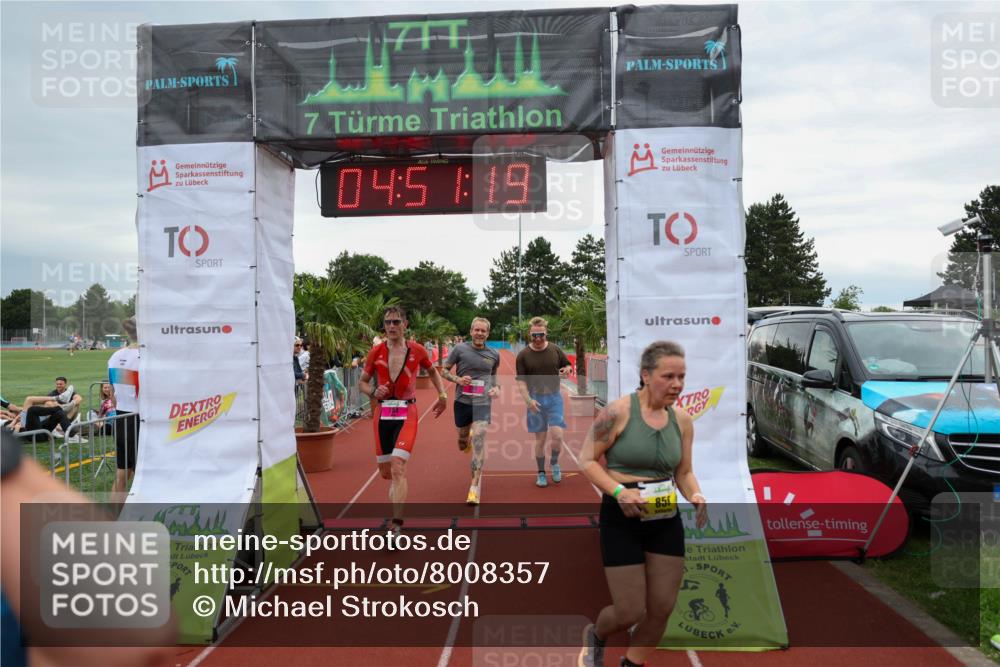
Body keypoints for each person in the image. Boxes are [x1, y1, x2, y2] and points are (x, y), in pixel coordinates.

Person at [578, 341, 708, 667]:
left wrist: (695, 494)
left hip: (664, 517)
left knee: (662, 607)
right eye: (669, 376)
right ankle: (596, 634)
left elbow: (685, 471)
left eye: (682, 376)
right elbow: (587, 459)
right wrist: (619, 492)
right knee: (629, 610)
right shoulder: (617, 412)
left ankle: (632, 663)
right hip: (622, 516)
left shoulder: (683, 421)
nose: (677, 384)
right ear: (646, 376)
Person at [359, 306, 448, 533]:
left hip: (407, 412)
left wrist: (443, 395)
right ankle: (396, 500)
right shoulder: (376, 352)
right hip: (383, 413)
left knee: (398, 467)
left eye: (396, 322)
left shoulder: (416, 350)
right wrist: (372, 392)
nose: (391, 326)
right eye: (388, 322)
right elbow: (363, 382)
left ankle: (396, 525)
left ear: (405, 325)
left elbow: (433, 372)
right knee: (386, 472)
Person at [441, 317, 501, 505]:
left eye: (483, 331)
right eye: (477, 330)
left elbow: (494, 377)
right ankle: (464, 440)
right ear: (471, 331)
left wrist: (497, 388)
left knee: (480, 437)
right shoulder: (459, 349)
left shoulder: (494, 354)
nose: (480, 333)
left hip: (483, 401)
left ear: (488, 333)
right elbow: (443, 370)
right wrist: (457, 380)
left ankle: (474, 488)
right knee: (462, 439)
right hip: (462, 401)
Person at [515, 316, 572, 487]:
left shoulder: (555, 349)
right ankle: (541, 472)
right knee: (540, 440)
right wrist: (528, 401)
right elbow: (521, 381)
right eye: (535, 335)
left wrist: (566, 370)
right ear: (529, 334)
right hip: (535, 400)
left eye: (541, 335)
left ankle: (554, 463)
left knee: (557, 436)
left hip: (554, 398)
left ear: (546, 333)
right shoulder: (523, 355)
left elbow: (567, 365)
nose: (538, 338)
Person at [108, 318, 140, 495]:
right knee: (141, 475)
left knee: (122, 473)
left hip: (121, 417)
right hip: (140, 418)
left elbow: (112, 395)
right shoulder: (145, 357)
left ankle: (112, 519)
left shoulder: (115, 356)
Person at [21, 378, 85, 443]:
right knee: (32, 409)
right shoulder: (53, 392)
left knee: (59, 413)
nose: (58, 385)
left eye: (60, 384)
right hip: (32, 435)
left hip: (43, 432)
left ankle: (71, 436)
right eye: (57, 384)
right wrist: (14, 422)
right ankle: (60, 404)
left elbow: (79, 398)